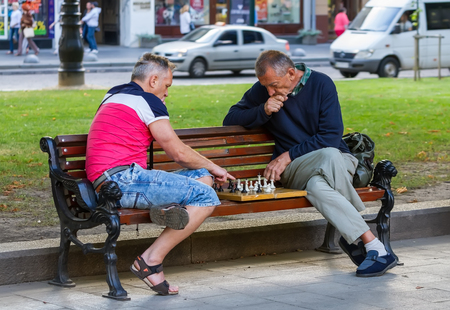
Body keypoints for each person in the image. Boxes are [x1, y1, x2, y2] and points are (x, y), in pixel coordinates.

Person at [223, 50, 398, 277]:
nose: (270, 91)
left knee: (322, 174)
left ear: (291, 73)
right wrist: (263, 109)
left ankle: (367, 243)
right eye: (265, 86)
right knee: (329, 155)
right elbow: (230, 118)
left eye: (274, 85)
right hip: (296, 170)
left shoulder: (322, 84)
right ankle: (369, 243)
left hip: (329, 160)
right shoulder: (264, 92)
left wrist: (287, 155)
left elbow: (331, 135)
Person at [85, 53, 234, 295]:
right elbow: (178, 153)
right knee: (207, 196)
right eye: (167, 86)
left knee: (201, 177)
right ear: (153, 80)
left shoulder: (114, 93)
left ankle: (167, 209)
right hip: (122, 180)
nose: (166, 93)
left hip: (111, 178)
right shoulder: (147, 100)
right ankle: (150, 261)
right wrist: (216, 166)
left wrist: (207, 169)